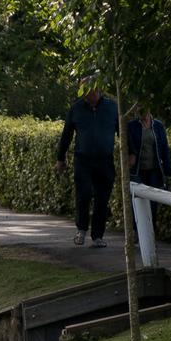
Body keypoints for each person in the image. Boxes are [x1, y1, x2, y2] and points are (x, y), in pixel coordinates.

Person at [56, 84, 119, 248]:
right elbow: (67, 135)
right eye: (84, 93)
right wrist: (60, 158)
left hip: (105, 160)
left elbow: (122, 131)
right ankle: (81, 229)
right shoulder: (76, 109)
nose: (87, 96)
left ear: (98, 91)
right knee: (83, 194)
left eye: (89, 93)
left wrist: (131, 153)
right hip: (83, 160)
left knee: (102, 199)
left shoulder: (112, 108)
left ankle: (98, 235)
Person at [127, 109, 171, 223]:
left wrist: (167, 169)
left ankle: (151, 231)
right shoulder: (132, 126)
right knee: (138, 201)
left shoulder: (158, 125)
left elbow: (164, 148)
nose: (141, 113)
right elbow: (128, 144)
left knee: (153, 203)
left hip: (154, 170)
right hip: (137, 170)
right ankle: (137, 231)